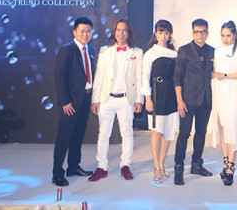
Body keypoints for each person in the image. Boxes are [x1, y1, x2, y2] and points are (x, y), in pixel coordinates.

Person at [88, 18, 144, 182]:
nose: (121, 33)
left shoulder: (137, 52)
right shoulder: (105, 51)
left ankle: (125, 165)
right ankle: (102, 167)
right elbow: (99, 76)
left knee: (127, 133)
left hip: (126, 99)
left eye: (124, 30)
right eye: (118, 30)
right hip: (106, 99)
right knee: (103, 134)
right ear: (114, 32)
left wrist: (139, 99)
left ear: (129, 33)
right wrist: (95, 99)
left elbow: (139, 77)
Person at [52, 17, 96, 186]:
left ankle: (73, 167)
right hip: (70, 102)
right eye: (82, 31)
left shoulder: (90, 49)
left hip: (86, 99)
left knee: (78, 136)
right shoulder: (67, 50)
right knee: (64, 138)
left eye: (88, 31)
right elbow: (59, 77)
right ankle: (57, 173)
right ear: (74, 32)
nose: (85, 34)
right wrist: (65, 102)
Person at [173, 18, 215, 185]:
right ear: (192, 33)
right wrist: (179, 101)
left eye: (203, 31)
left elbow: (213, 72)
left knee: (201, 133)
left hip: (206, 100)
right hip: (188, 100)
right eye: (197, 32)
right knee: (184, 134)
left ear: (207, 33)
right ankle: (178, 168)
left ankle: (196, 164)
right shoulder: (184, 50)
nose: (200, 35)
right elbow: (177, 77)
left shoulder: (212, 51)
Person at [211, 20, 237, 186]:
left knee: (231, 127)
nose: (225, 38)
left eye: (228, 35)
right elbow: (215, 72)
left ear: (234, 35)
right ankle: (225, 162)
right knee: (222, 127)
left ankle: (231, 168)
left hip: (233, 92)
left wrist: (226, 76)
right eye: (223, 35)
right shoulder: (217, 51)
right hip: (219, 92)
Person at [141, 19, 178, 184]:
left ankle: (162, 163)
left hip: (172, 96)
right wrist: (147, 98)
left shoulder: (175, 53)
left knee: (169, 132)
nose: (164, 36)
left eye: (167, 33)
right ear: (156, 34)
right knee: (157, 131)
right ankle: (156, 166)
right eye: (161, 32)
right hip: (156, 96)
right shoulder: (150, 54)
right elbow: (144, 77)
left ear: (170, 35)